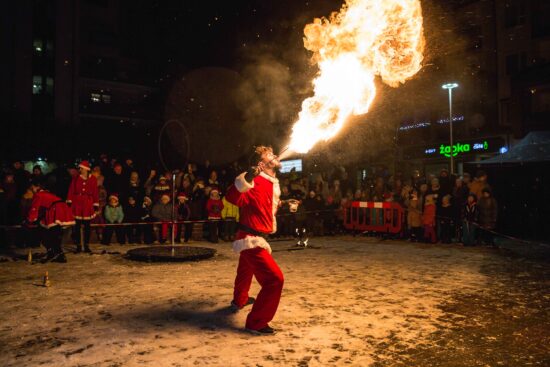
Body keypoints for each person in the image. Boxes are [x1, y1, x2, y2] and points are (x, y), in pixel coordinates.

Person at [225, 145, 285, 335]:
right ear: (261, 163)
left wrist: (284, 203)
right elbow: (232, 197)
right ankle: (256, 323)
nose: (274, 155)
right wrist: (248, 177)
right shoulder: (254, 180)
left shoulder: (271, 182)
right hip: (250, 238)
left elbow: (264, 205)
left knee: (246, 269)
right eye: (269, 154)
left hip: (256, 236)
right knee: (275, 280)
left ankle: (240, 299)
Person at [26, 180, 75, 262]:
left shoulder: (38, 195)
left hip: (55, 211)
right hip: (61, 210)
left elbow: (34, 209)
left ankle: (56, 253)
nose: (32, 190)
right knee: (52, 234)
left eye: (33, 188)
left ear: (37, 187)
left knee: (50, 234)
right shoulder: (47, 193)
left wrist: (29, 219)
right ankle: (56, 254)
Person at [67, 161, 99, 253]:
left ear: (86, 169)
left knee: (87, 226)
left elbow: (95, 192)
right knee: (77, 226)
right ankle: (78, 246)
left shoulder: (93, 179)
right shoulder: (76, 178)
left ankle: (86, 245)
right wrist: (69, 201)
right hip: (77, 203)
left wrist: (95, 204)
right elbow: (71, 190)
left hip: (87, 204)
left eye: (81, 168)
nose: (80, 169)